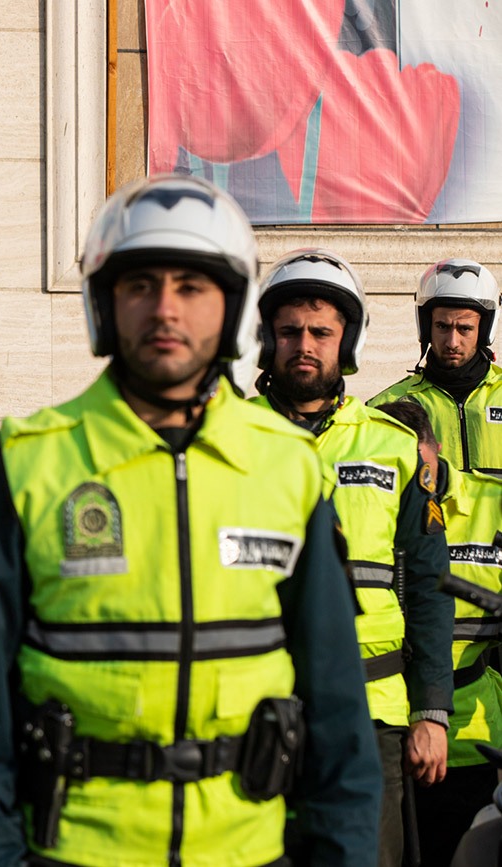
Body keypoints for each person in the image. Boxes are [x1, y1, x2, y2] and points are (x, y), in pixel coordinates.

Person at [0, 175, 381, 867]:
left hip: (248, 853)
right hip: (74, 854)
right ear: (104, 304)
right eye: (141, 285)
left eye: (192, 287)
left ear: (234, 309)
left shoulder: (288, 468)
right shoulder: (26, 463)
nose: (166, 308)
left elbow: (337, 707)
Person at [254, 249, 454, 866]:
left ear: (349, 341)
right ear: (266, 339)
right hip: (249, 706)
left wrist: (431, 711)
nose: (304, 345)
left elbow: (429, 586)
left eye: (321, 332)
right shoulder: (224, 439)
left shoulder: (394, 446)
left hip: (372, 714)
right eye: (290, 331)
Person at [379, 398, 502, 866]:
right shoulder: (364, 508)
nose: (413, 481)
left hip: (471, 740)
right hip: (382, 727)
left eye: (419, 464)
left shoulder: (492, 504)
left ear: (439, 448)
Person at [369, 260, 502, 476]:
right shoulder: (386, 407)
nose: (452, 342)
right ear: (426, 327)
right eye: (442, 326)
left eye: (465, 329)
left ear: (484, 330)